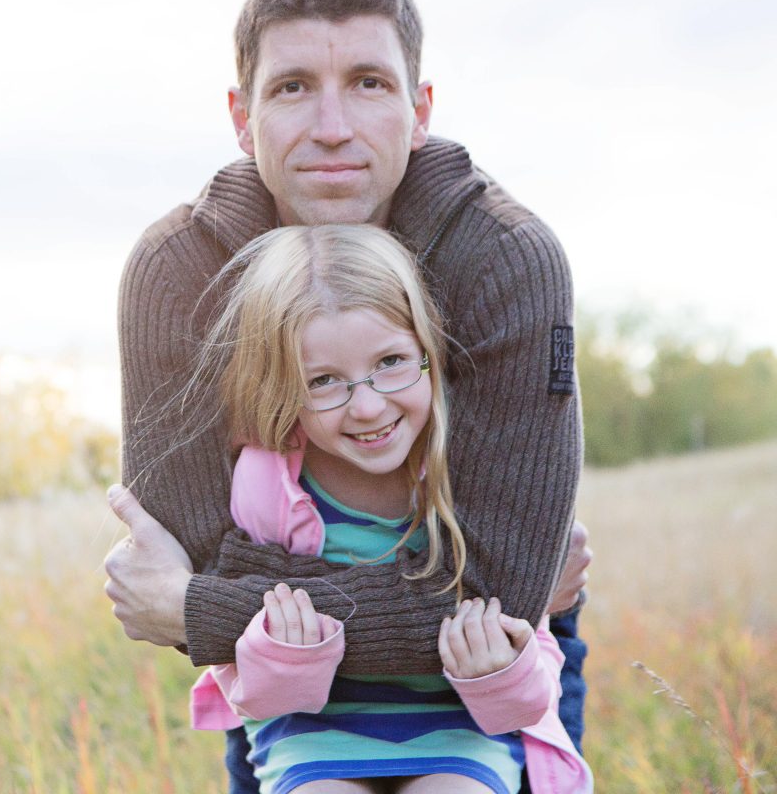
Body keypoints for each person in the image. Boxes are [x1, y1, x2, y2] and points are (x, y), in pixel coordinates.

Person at [105, 0, 591, 792]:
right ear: (242, 117)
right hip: (288, 701)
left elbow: (500, 600)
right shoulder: (178, 271)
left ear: (419, 109)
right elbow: (186, 553)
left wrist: (206, 607)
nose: (332, 126)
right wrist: (207, 606)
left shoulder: (507, 257)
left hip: (486, 687)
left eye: (369, 83)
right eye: (293, 87)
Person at [185, 224, 592, 794]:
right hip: (312, 731)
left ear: (428, 350)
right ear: (282, 389)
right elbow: (243, 679)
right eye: (323, 381)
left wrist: (496, 672)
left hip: (464, 725)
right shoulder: (268, 483)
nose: (368, 406)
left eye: (392, 361)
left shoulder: (469, 470)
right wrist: (284, 654)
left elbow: (530, 680)